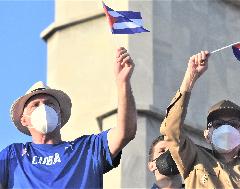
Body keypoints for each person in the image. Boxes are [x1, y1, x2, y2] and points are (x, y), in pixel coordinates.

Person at [0, 47, 137, 189]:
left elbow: (125, 132)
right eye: (35, 105)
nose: (44, 108)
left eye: (49, 104)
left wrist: (123, 83)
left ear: (60, 114)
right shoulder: (13, 155)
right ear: (24, 119)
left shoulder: (87, 149)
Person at [160, 51, 240, 188]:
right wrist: (190, 78)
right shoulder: (193, 158)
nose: (226, 129)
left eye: (233, 124)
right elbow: (170, 129)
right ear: (207, 135)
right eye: (218, 124)